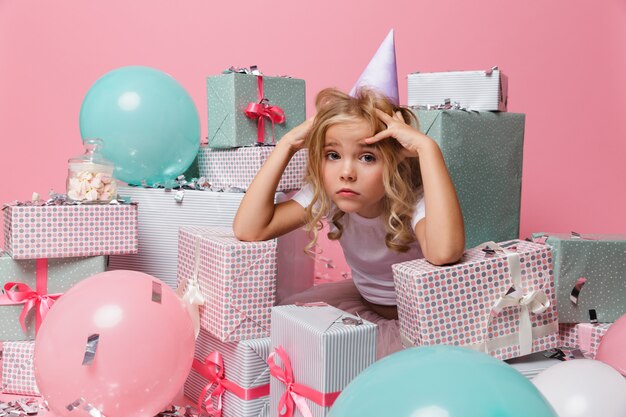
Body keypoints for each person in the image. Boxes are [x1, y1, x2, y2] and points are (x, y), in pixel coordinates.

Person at [233, 87, 465, 358]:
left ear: (397, 161)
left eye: (367, 157)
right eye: (333, 155)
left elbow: (444, 252)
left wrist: (427, 148)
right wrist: (286, 145)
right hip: (364, 305)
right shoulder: (331, 196)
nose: (346, 173)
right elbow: (249, 229)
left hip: (417, 324)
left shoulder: (413, 200)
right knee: (297, 335)